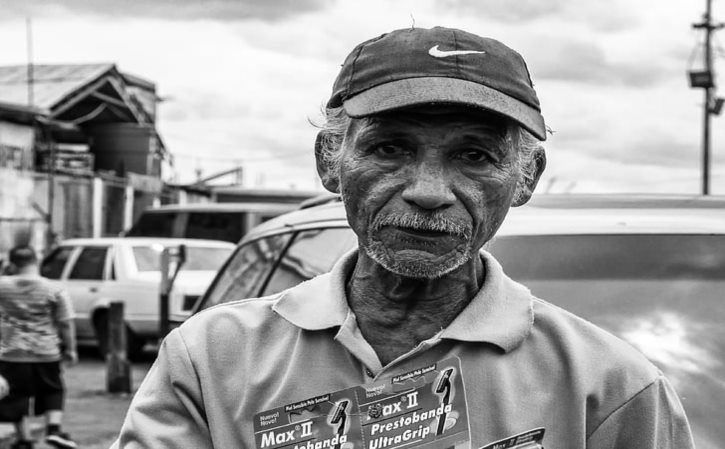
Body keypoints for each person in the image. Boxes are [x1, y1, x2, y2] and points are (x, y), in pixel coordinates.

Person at [111, 26, 694, 448]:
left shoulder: (610, 387)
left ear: (525, 180)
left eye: (474, 155)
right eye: (390, 148)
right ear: (330, 161)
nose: (429, 190)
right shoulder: (212, 358)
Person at [0, 246, 78, 449]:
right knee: (53, 389)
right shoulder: (54, 288)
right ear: (38, 261)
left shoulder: (2, 286)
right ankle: (54, 430)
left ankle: (24, 439)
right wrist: (71, 349)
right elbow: (65, 322)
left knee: (14, 395)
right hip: (46, 352)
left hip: (12, 353)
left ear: (12, 264)